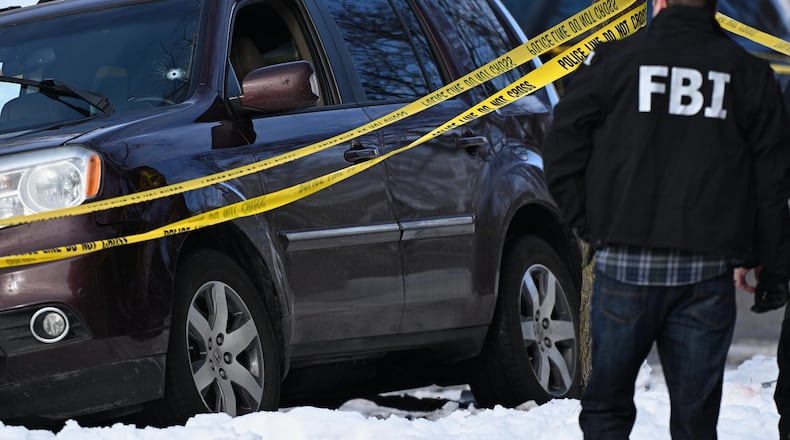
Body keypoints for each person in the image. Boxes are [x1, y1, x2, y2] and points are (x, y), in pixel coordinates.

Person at [543, 0, 790, 438]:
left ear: (658, 3)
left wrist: (588, 224)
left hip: (625, 265)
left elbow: (562, 147)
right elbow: (771, 182)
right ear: (716, 6)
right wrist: (770, 266)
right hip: (706, 272)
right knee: (696, 421)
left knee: (606, 411)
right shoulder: (748, 74)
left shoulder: (615, 62)